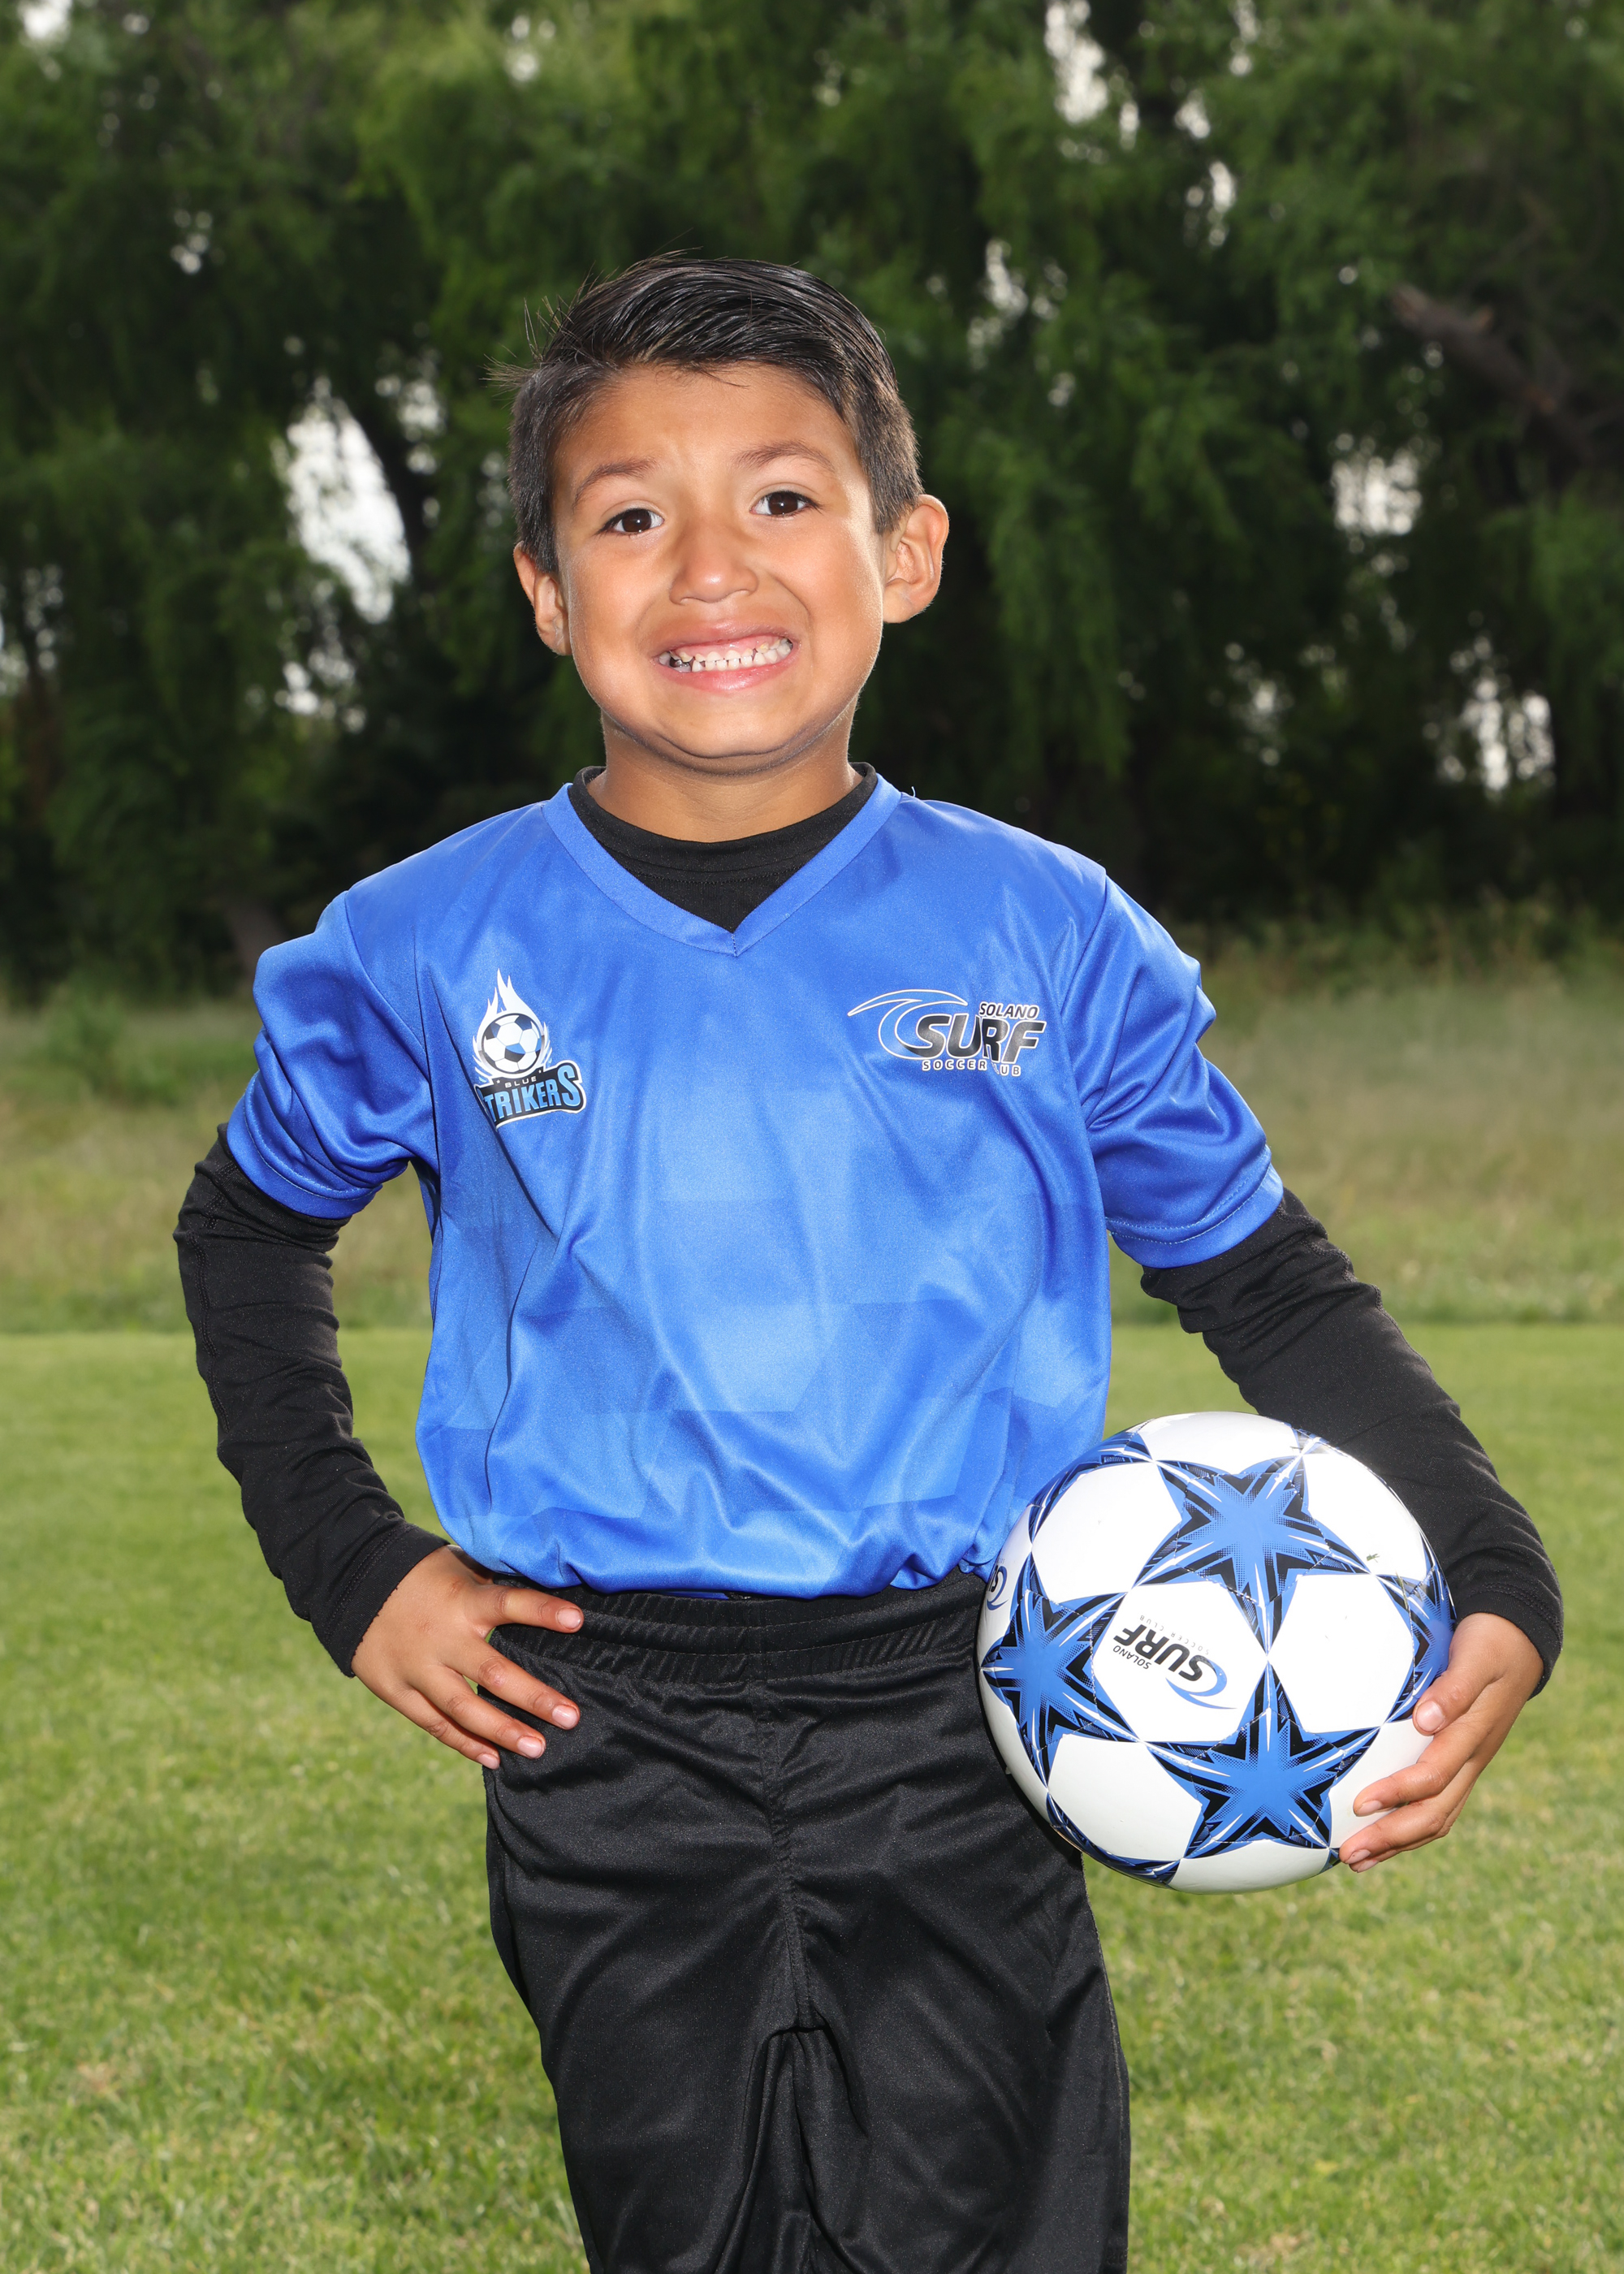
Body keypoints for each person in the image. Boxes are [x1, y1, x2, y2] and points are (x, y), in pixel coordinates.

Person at [176, 257, 1561, 2274]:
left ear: (902, 553)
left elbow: (1263, 1278)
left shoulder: (1046, 931)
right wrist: (348, 1556)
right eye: (628, 515)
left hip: (972, 1701)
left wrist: (1490, 1559)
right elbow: (245, 1224)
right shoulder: (421, 941)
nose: (708, 565)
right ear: (547, 592)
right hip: (599, 1720)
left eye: (782, 496)